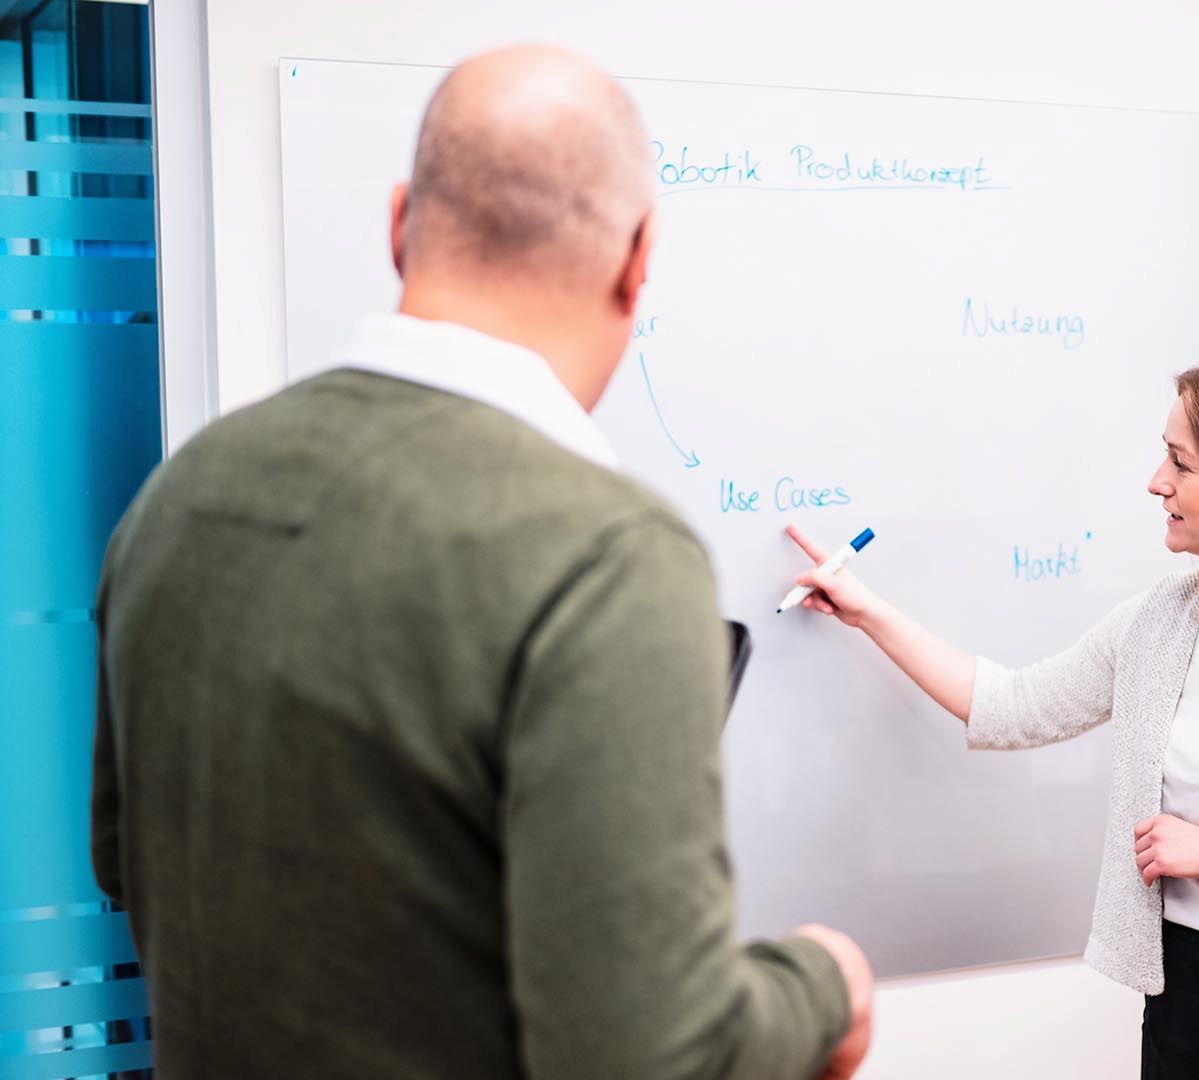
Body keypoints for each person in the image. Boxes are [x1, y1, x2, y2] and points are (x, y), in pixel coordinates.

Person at [90, 45, 871, 1079]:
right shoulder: (604, 558)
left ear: (400, 223)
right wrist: (825, 983)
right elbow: (653, 1058)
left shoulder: (179, 497)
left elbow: (122, 861)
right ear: (640, 259)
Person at [788, 362, 1199, 1079]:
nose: (1156, 481)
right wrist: (866, 611)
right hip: (1183, 1010)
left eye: (1180, 462)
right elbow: (1011, 705)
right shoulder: (1159, 625)